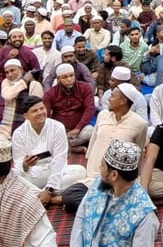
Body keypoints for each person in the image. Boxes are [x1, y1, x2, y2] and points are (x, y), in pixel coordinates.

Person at [61, 82, 149, 211]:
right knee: (69, 195)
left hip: (117, 181)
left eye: (112, 96)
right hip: (93, 176)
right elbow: (93, 142)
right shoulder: (102, 116)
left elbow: (138, 154)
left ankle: (95, 205)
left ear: (123, 101)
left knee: (121, 194)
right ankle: (109, 206)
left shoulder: (140, 124)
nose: (108, 99)